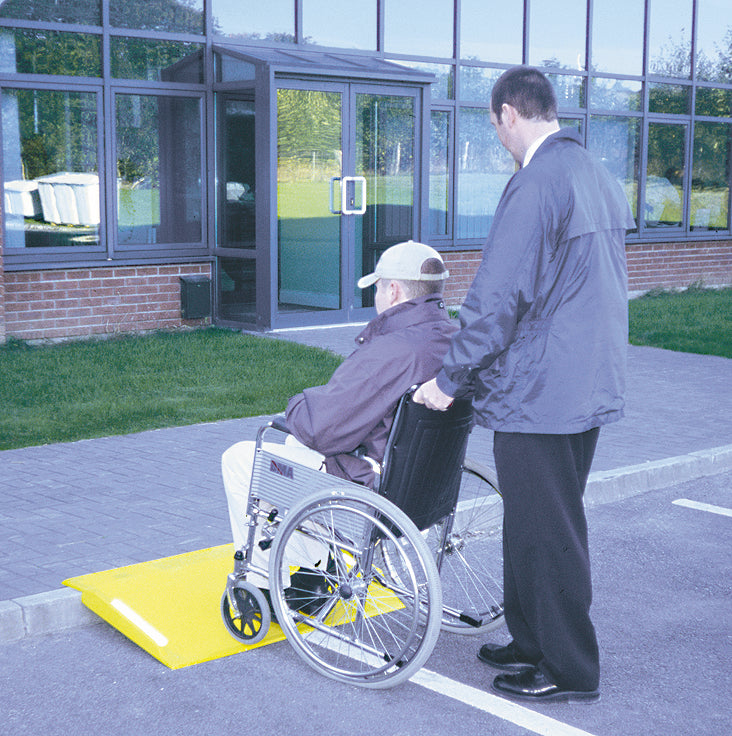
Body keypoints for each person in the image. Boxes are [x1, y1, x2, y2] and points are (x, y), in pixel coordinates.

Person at [415, 66, 634, 704]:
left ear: (511, 113)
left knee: (548, 530)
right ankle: (530, 640)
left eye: (495, 126)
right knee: (535, 520)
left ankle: (570, 669)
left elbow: (497, 296)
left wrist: (449, 379)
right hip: (584, 383)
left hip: (543, 392)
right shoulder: (593, 174)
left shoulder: (535, 183)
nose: (499, 138)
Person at [222, 240, 457, 597]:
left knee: (242, 458)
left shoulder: (393, 350)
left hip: (372, 493)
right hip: (426, 489)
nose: (376, 296)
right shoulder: (454, 338)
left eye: (377, 288)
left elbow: (321, 428)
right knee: (290, 444)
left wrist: (299, 403)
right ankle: (318, 562)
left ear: (393, 291)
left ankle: (263, 582)